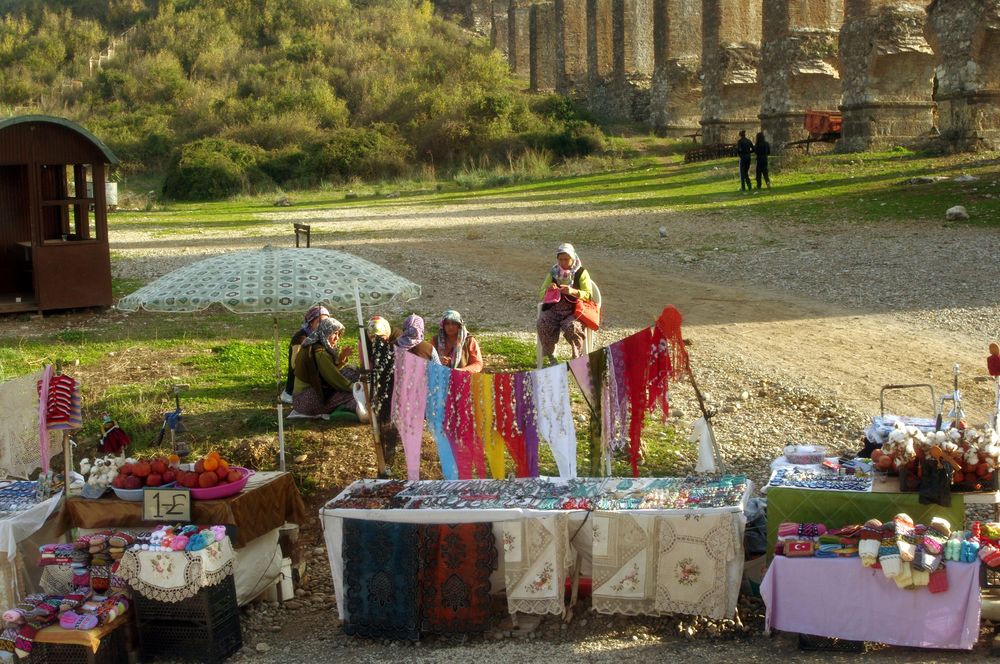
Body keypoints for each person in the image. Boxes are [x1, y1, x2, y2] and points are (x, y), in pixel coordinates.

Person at [291, 317, 368, 421]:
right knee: (354, 393)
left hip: (301, 399)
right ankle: (353, 410)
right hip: (305, 401)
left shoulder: (313, 344)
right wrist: (356, 387)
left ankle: (352, 407)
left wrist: (342, 358)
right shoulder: (320, 351)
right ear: (325, 332)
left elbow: (328, 371)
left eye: (338, 334)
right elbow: (334, 378)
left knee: (352, 373)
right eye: (334, 333)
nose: (337, 338)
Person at [536, 243, 594, 365]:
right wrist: (550, 289)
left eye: (566, 259)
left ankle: (577, 360)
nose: (563, 262)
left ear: (573, 258)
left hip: (573, 311)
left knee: (573, 328)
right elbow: (541, 293)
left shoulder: (581, 273)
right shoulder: (554, 272)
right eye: (560, 259)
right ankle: (551, 356)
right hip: (554, 309)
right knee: (543, 322)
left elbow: (589, 295)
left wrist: (572, 291)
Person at [280, 305, 329, 404]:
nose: (323, 325)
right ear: (311, 322)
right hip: (299, 381)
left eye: (326, 322)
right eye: (319, 321)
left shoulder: (319, 335)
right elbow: (295, 364)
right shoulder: (300, 338)